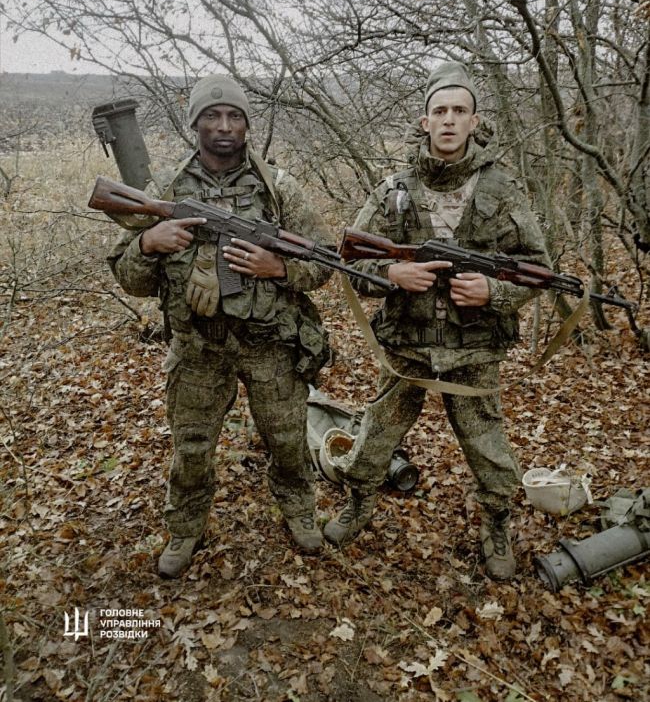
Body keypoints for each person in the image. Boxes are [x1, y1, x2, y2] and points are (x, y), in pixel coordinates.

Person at [324, 62, 550, 580]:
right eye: (439, 111)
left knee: (487, 446)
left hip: (473, 350)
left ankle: (496, 522)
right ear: (424, 121)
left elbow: (539, 269)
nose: (449, 120)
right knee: (377, 433)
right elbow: (347, 261)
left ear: (475, 121)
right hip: (406, 346)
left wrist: (495, 292)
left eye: (459, 111)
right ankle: (358, 501)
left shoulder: (503, 189)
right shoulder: (393, 191)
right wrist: (392, 273)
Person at [108, 75, 334, 578]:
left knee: (289, 441)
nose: (224, 126)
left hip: (269, 344)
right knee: (190, 448)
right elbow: (131, 279)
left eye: (234, 116)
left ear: (248, 125)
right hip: (197, 349)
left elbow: (324, 261)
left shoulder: (279, 188)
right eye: (212, 116)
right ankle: (185, 527)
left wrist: (280, 269)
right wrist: (149, 245)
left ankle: (299, 511)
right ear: (195, 124)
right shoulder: (164, 190)